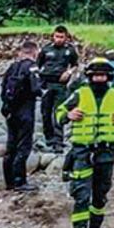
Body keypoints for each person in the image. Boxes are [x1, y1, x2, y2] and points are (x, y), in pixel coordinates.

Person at [55, 58, 114, 228]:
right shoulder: (79, 94)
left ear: (108, 77)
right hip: (82, 152)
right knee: (81, 196)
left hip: (106, 153)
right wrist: (69, 115)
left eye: (103, 75)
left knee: (99, 196)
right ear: (89, 76)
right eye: (96, 75)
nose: (99, 78)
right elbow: (59, 112)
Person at [0, 40, 41, 192]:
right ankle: (20, 181)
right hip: (25, 111)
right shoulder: (32, 67)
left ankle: (9, 181)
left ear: (21, 52)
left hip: (11, 111)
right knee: (23, 146)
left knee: (11, 146)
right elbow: (37, 89)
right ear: (35, 52)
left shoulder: (12, 67)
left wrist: (6, 106)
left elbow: (3, 88)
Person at [37, 25, 80, 154]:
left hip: (61, 85)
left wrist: (69, 72)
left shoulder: (70, 50)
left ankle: (58, 142)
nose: (59, 39)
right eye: (57, 36)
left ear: (66, 37)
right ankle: (48, 138)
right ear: (53, 36)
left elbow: (76, 65)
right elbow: (37, 65)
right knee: (45, 113)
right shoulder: (45, 49)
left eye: (62, 37)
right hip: (46, 84)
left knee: (59, 113)